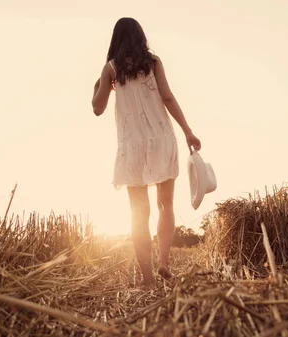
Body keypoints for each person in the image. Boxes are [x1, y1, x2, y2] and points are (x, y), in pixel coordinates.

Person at [91, 17, 201, 287]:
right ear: (141, 37)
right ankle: (164, 262)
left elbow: (97, 107)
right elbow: (168, 97)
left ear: (115, 40)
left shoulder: (111, 69)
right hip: (162, 138)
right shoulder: (153, 63)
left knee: (139, 213)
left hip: (132, 147)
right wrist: (188, 131)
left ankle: (148, 278)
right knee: (167, 205)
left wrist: (100, 82)